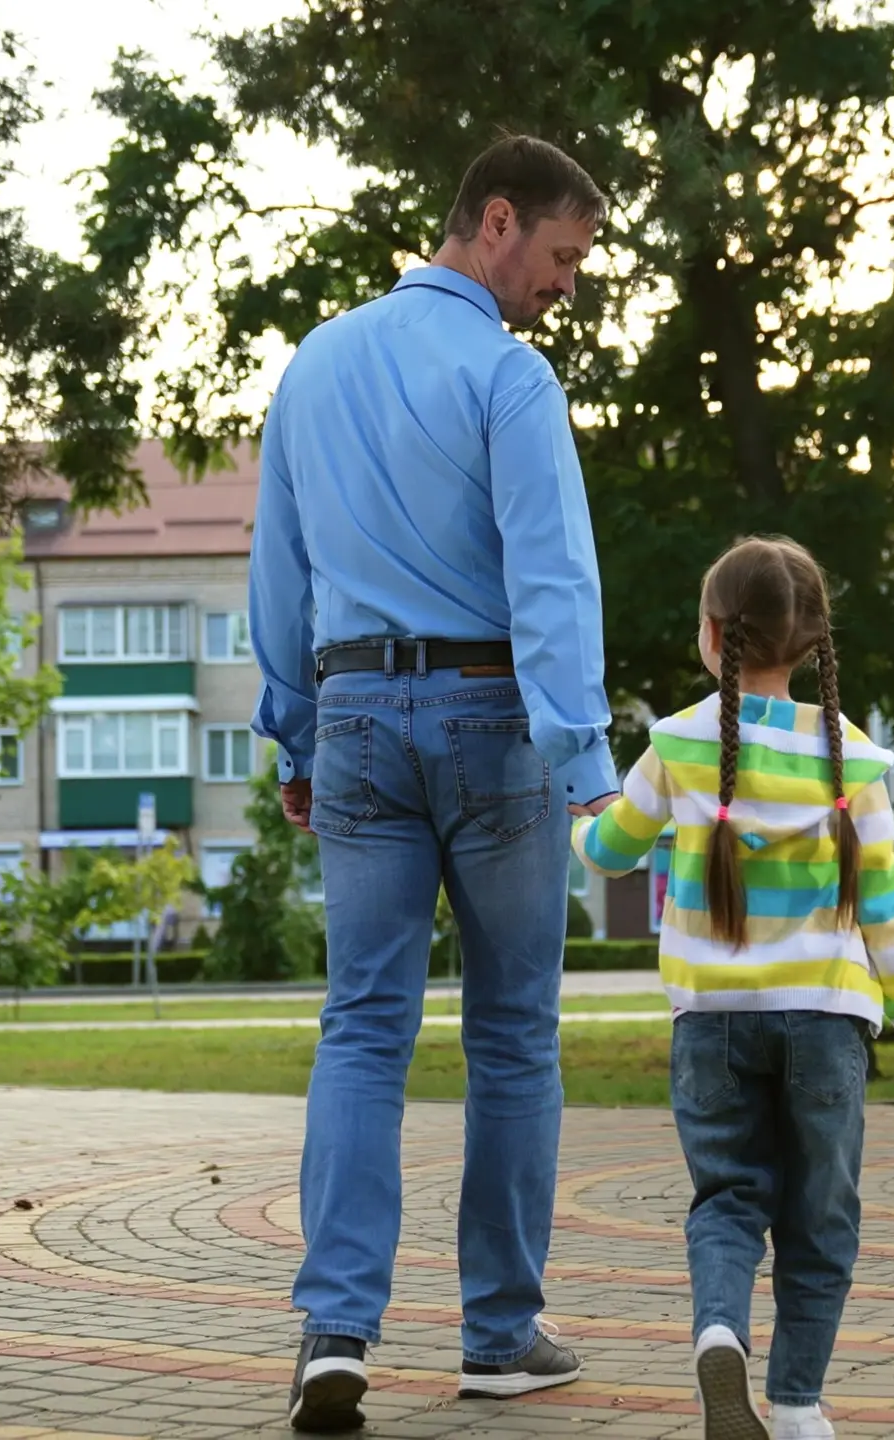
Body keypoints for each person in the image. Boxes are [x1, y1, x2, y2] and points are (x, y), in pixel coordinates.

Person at [248, 134, 617, 1432]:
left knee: (361, 1025)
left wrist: (295, 735)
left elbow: (279, 572)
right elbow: (551, 580)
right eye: (562, 256)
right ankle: (500, 1337)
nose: (564, 285)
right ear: (496, 221)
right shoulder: (509, 379)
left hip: (354, 715)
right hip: (489, 718)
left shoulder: (315, 363)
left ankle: (334, 1333)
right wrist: (586, 765)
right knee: (511, 1032)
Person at [571, 536, 894, 1440]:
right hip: (828, 1022)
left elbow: (612, 854)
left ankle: (718, 1332)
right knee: (822, 1216)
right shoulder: (853, 760)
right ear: (813, 641)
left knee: (729, 1198)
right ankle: (800, 1403)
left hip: (712, 1023)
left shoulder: (677, 743)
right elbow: (885, 905)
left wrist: (583, 821)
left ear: (712, 634)